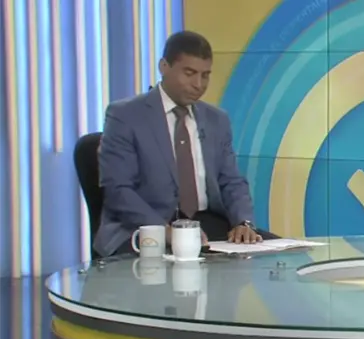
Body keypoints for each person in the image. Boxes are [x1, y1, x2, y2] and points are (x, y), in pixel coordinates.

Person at [95, 31, 275, 257]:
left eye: (205, 75)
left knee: (277, 259)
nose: (198, 85)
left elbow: (231, 181)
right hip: (144, 226)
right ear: (164, 66)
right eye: (189, 74)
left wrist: (243, 222)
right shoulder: (126, 115)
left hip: (205, 224)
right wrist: (164, 231)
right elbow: (118, 190)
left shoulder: (216, 120)